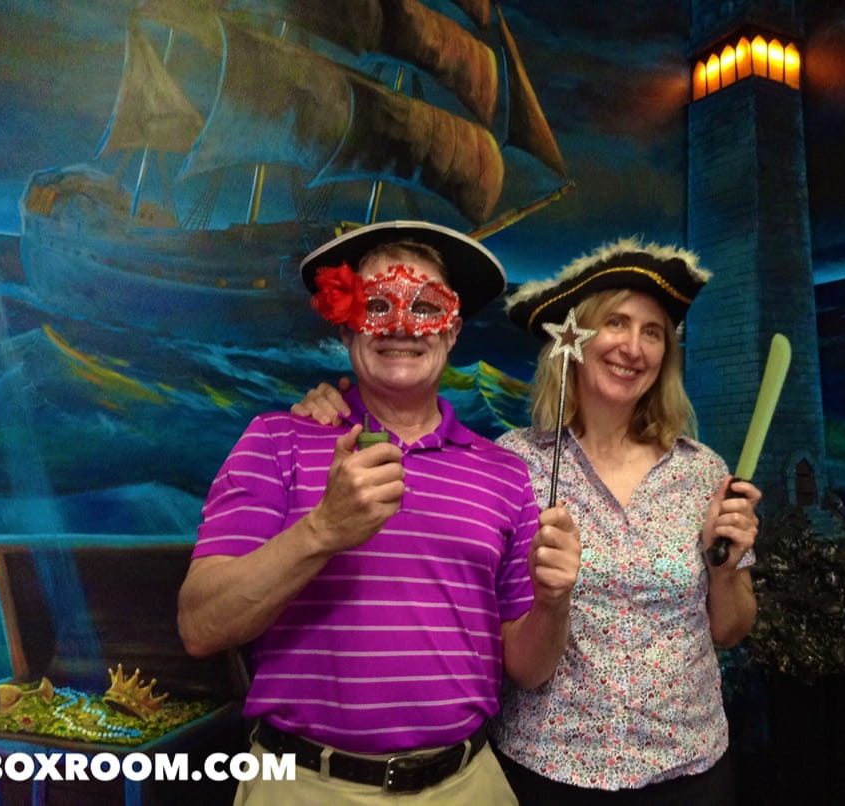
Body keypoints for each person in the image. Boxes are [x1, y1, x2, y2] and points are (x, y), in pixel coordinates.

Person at [294, 237, 761, 805]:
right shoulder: (513, 463)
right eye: (615, 323)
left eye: (653, 332)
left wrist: (726, 569)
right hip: (545, 768)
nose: (633, 347)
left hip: (686, 769)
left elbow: (729, 630)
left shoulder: (703, 472)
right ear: (575, 340)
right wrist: (337, 404)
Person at [178, 220, 581, 805]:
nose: (400, 325)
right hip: (305, 787)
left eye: (425, 307)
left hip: (467, 786)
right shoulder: (276, 442)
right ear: (346, 326)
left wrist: (555, 600)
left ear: (452, 331)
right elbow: (200, 627)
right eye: (377, 305)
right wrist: (322, 530)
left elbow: (530, 668)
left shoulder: (504, 473)